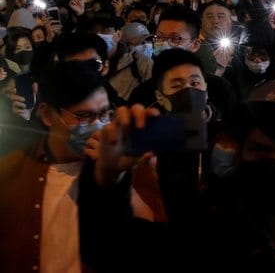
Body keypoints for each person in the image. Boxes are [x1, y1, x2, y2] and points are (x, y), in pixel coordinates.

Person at [78, 78, 275, 272]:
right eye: (259, 149)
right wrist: (107, 175)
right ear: (241, 153)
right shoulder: (205, 239)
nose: (273, 163)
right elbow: (109, 252)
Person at [0, 61, 160, 273]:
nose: (98, 125)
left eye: (104, 113)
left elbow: (147, 239)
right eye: (83, 116)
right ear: (47, 115)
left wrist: (113, 176)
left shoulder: (129, 165)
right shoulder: (12, 170)